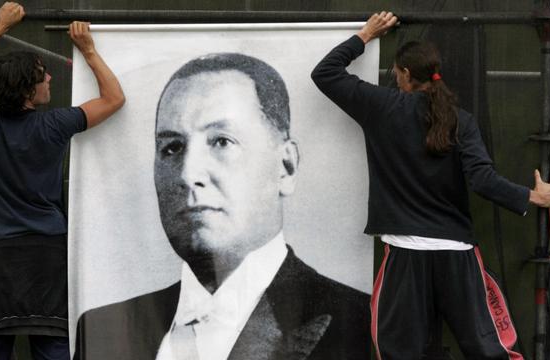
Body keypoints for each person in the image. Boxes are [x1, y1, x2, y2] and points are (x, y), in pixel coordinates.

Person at [74, 53, 370, 360]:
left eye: (222, 141)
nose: (189, 174)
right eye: (172, 147)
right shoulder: (102, 329)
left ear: (285, 166)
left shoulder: (361, 323)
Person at [311, 11, 550, 360]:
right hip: (456, 254)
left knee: (400, 352)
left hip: (406, 253)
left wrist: (366, 34)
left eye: (397, 72)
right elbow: (482, 180)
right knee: (490, 351)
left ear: (405, 74)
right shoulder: (461, 121)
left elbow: (325, 74)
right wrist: (532, 196)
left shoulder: (382, 107)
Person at [0, 2, 125, 359]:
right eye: (42, 75)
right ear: (28, 91)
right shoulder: (55, 125)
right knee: (53, 348)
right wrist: (88, 50)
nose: (49, 79)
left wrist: (0, 27)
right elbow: (114, 98)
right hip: (47, 254)